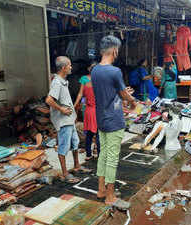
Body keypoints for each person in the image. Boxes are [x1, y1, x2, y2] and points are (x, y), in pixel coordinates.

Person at [91, 35, 137, 209]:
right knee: (112, 159)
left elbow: (114, 92)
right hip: (114, 120)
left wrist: (124, 94)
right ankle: (110, 196)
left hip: (101, 119)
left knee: (103, 155)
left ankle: (101, 189)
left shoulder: (95, 70)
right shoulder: (114, 71)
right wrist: (132, 101)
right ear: (114, 50)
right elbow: (123, 94)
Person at [45, 56, 92, 184]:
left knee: (75, 143)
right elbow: (49, 100)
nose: (71, 67)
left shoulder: (62, 81)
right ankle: (65, 173)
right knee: (64, 147)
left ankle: (76, 165)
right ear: (64, 67)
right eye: (70, 65)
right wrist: (61, 109)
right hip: (63, 120)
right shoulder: (57, 82)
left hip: (69, 119)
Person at [74, 61, 100, 161]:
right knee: (98, 134)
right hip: (98, 110)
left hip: (88, 111)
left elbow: (80, 94)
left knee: (88, 134)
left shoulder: (84, 79)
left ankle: (88, 155)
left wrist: (75, 105)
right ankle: (97, 153)